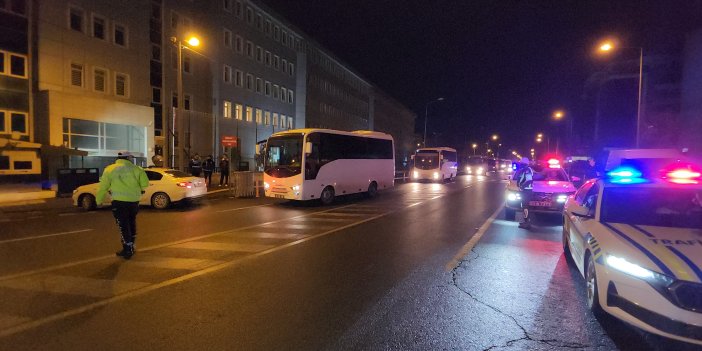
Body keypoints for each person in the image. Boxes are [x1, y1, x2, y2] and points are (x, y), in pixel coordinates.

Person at [96, 152, 149, 259]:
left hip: (119, 202)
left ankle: (127, 249)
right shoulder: (137, 169)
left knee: (123, 225)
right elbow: (145, 184)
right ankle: (132, 245)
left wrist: (99, 201)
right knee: (131, 222)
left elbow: (103, 187)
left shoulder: (110, 169)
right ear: (129, 158)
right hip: (134, 201)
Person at [515, 157, 535, 229]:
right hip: (525, 190)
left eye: (522, 163)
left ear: (525, 164)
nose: (521, 165)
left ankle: (527, 223)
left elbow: (529, 180)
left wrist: (522, 186)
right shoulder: (524, 170)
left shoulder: (527, 170)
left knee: (525, 207)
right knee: (524, 206)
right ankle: (525, 221)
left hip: (527, 190)